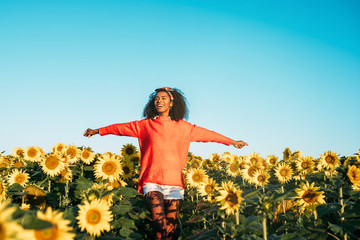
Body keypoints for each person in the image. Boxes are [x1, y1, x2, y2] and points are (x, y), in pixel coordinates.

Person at [83, 87, 248, 240]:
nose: (159, 101)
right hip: (151, 182)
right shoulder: (145, 125)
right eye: (156, 99)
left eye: (163, 98)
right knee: (159, 226)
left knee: (171, 229)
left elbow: (209, 135)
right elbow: (120, 128)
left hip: (175, 184)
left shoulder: (185, 127)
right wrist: (98, 131)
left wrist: (232, 142)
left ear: (172, 103)